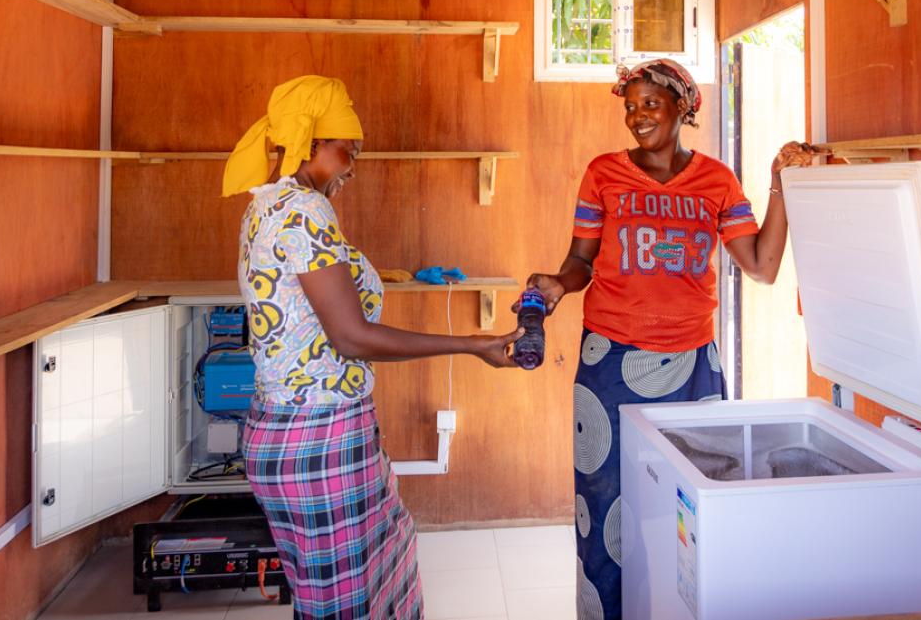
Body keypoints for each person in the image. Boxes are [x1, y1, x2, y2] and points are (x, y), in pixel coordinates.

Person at [521, 59, 814, 620]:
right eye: (630, 106)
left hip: (692, 364)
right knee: (605, 504)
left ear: (684, 106)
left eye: (650, 104)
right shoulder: (603, 173)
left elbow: (761, 265)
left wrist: (780, 185)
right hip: (609, 358)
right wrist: (559, 284)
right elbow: (581, 260)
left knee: (696, 503)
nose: (637, 116)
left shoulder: (717, 181)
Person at [222, 74, 522, 619]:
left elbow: (307, 309)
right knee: (348, 604)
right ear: (313, 142)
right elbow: (351, 336)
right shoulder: (305, 211)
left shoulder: (264, 206)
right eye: (348, 151)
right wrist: (471, 345)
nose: (353, 164)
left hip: (295, 429)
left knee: (364, 582)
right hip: (319, 437)